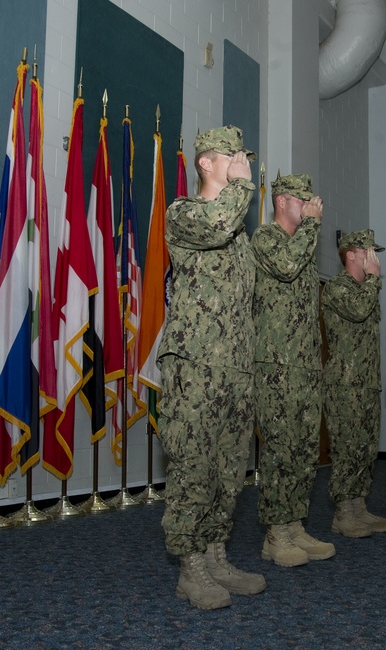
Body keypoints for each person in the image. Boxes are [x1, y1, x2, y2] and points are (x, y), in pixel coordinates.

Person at [157, 125, 266, 609]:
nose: (242, 161)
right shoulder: (184, 213)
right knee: (193, 465)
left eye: (244, 156)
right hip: (196, 363)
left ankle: (216, 551)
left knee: (228, 468)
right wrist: (243, 185)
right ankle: (190, 565)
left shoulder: (241, 236)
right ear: (205, 162)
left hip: (237, 367)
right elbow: (219, 224)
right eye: (233, 154)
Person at [252, 173, 336, 567]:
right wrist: (315, 225)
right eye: (304, 201)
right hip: (274, 364)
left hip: (304, 365)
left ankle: (295, 522)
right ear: (283, 201)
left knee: (304, 450)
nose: (312, 208)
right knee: (280, 450)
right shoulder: (266, 239)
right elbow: (285, 267)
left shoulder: (304, 247)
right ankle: (275, 533)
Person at [321, 229, 386, 538]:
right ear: (351, 254)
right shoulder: (337, 288)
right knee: (347, 448)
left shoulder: (365, 289)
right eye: (368, 252)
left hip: (366, 384)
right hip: (344, 384)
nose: (373, 258)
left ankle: (359, 506)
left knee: (365, 448)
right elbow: (359, 310)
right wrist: (375, 279)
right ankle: (343, 513)